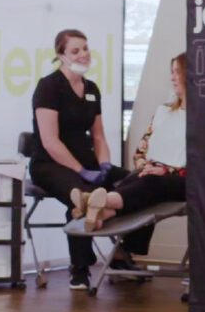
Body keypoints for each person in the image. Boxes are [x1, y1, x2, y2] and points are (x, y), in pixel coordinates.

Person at [30, 29, 130, 290]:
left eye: (85, 48)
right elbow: (51, 142)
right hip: (50, 164)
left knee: (136, 183)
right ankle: (80, 268)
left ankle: (122, 253)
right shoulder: (49, 87)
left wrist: (105, 164)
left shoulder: (92, 89)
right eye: (75, 51)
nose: (83, 54)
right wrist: (82, 171)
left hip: (86, 161)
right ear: (61, 56)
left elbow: (98, 137)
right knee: (86, 195)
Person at [72, 53, 188, 237]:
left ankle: (98, 202)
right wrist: (145, 166)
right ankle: (100, 215)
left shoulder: (203, 119)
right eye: (172, 72)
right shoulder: (163, 112)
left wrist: (166, 171)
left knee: (149, 181)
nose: (172, 77)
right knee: (134, 178)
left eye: (177, 72)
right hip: (153, 173)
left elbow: (203, 164)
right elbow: (141, 151)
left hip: (184, 182)